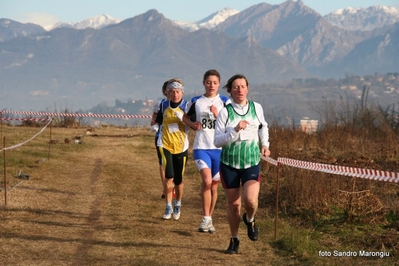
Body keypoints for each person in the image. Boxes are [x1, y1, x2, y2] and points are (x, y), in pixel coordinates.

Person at [213, 74, 270, 254]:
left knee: (250, 201)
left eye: (242, 86)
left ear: (247, 89)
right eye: (235, 87)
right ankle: (234, 239)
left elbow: (263, 127)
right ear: (230, 90)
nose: (239, 90)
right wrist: (235, 131)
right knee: (234, 205)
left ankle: (250, 219)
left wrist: (265, 145)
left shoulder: (256, 108)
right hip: (229, 164)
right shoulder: (225, 112)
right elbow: (217, 141)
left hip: (251, 162)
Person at [183, 69, 230, 233]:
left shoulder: (225, 102)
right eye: (209, 82)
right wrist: (192, 125)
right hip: (201, 147)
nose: (211, 85)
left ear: (219, 85)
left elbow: (231, 124)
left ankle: (209, 218)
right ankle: (205, 218)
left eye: (215, 83)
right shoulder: (196, 101)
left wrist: (218, 116)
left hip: (219, 149)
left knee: (214, 187)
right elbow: (185, 117)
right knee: (207, 181)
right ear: (204, 83)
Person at [154, 78, 189, 220]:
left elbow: (193, 123)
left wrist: (184, 119)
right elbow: (158, 119)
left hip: (181, 146)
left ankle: (178, 203)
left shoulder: (187, 106)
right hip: (165, 143)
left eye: (178, 91)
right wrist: (155, 126)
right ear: (168, 93)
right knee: (169, 176)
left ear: (182, 93)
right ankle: (168, 206)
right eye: (173, 91)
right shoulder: (163, 105)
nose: (175, 94)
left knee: (179, 180)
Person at [150, 81, 169, 199]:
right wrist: (154, 125)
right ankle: (165, 188)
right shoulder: (160, 104)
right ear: (165, 91)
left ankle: (173, 186)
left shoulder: (182, 104)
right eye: (168, 88)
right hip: (161, 137)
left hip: (177, 140)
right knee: (162, 164)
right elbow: (154, 119)